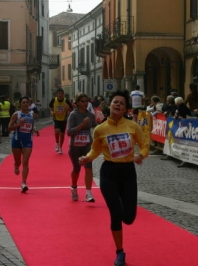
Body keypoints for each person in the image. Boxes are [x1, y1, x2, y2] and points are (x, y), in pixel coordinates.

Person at [79, 90, 149, 266]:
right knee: (116, 213)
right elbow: (95, 149)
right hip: (109, 172)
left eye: (122, 103)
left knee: (129, 218)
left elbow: (144, 144)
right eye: (115, 102)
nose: (118, 105)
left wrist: (141, 155)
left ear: (125, 109)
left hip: (128, 172)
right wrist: (88, 157)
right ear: (109, 105)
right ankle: (120, 252)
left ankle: (124, 222)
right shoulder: (101, 129)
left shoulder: (133, 126)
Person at [67, 93, 97, 202]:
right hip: (75, 146)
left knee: (88, 167)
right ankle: (74, 187)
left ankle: (88, 193)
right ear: (78, 103)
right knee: (77, 168)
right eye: (82, 101)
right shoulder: (73, 115)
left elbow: (95, 127)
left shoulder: (91, 115)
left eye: (86, 101)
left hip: (87, 145)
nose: (85, 103)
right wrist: (82, 125)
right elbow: (69, 132)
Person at [8, 96, 39, 193]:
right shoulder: (16, 114)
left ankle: (23, 183)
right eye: (23, 102)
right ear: (20, 104)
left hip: (28, 141)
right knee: (19, 162)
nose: (25, 104)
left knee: (25, 162)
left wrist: (34, 130)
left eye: (27, 102)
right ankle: (16, 166)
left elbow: (31, 126)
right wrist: (18, 125)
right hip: (17, 140)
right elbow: (9, 128)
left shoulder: (31, 114)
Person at [49, 88, 72, 154]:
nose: (60, 95)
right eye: (59, 94)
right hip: (56, 118)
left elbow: (71, 109)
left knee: (62, 135)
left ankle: (60, 147)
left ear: (63, 94)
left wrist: (68, 109)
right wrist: (51, 111)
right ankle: (56, 143)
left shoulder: (66, 101)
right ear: (57, 94)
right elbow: (50, 106)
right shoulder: (54, 100)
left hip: (64, 119)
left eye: (61, 94)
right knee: (57, 131)